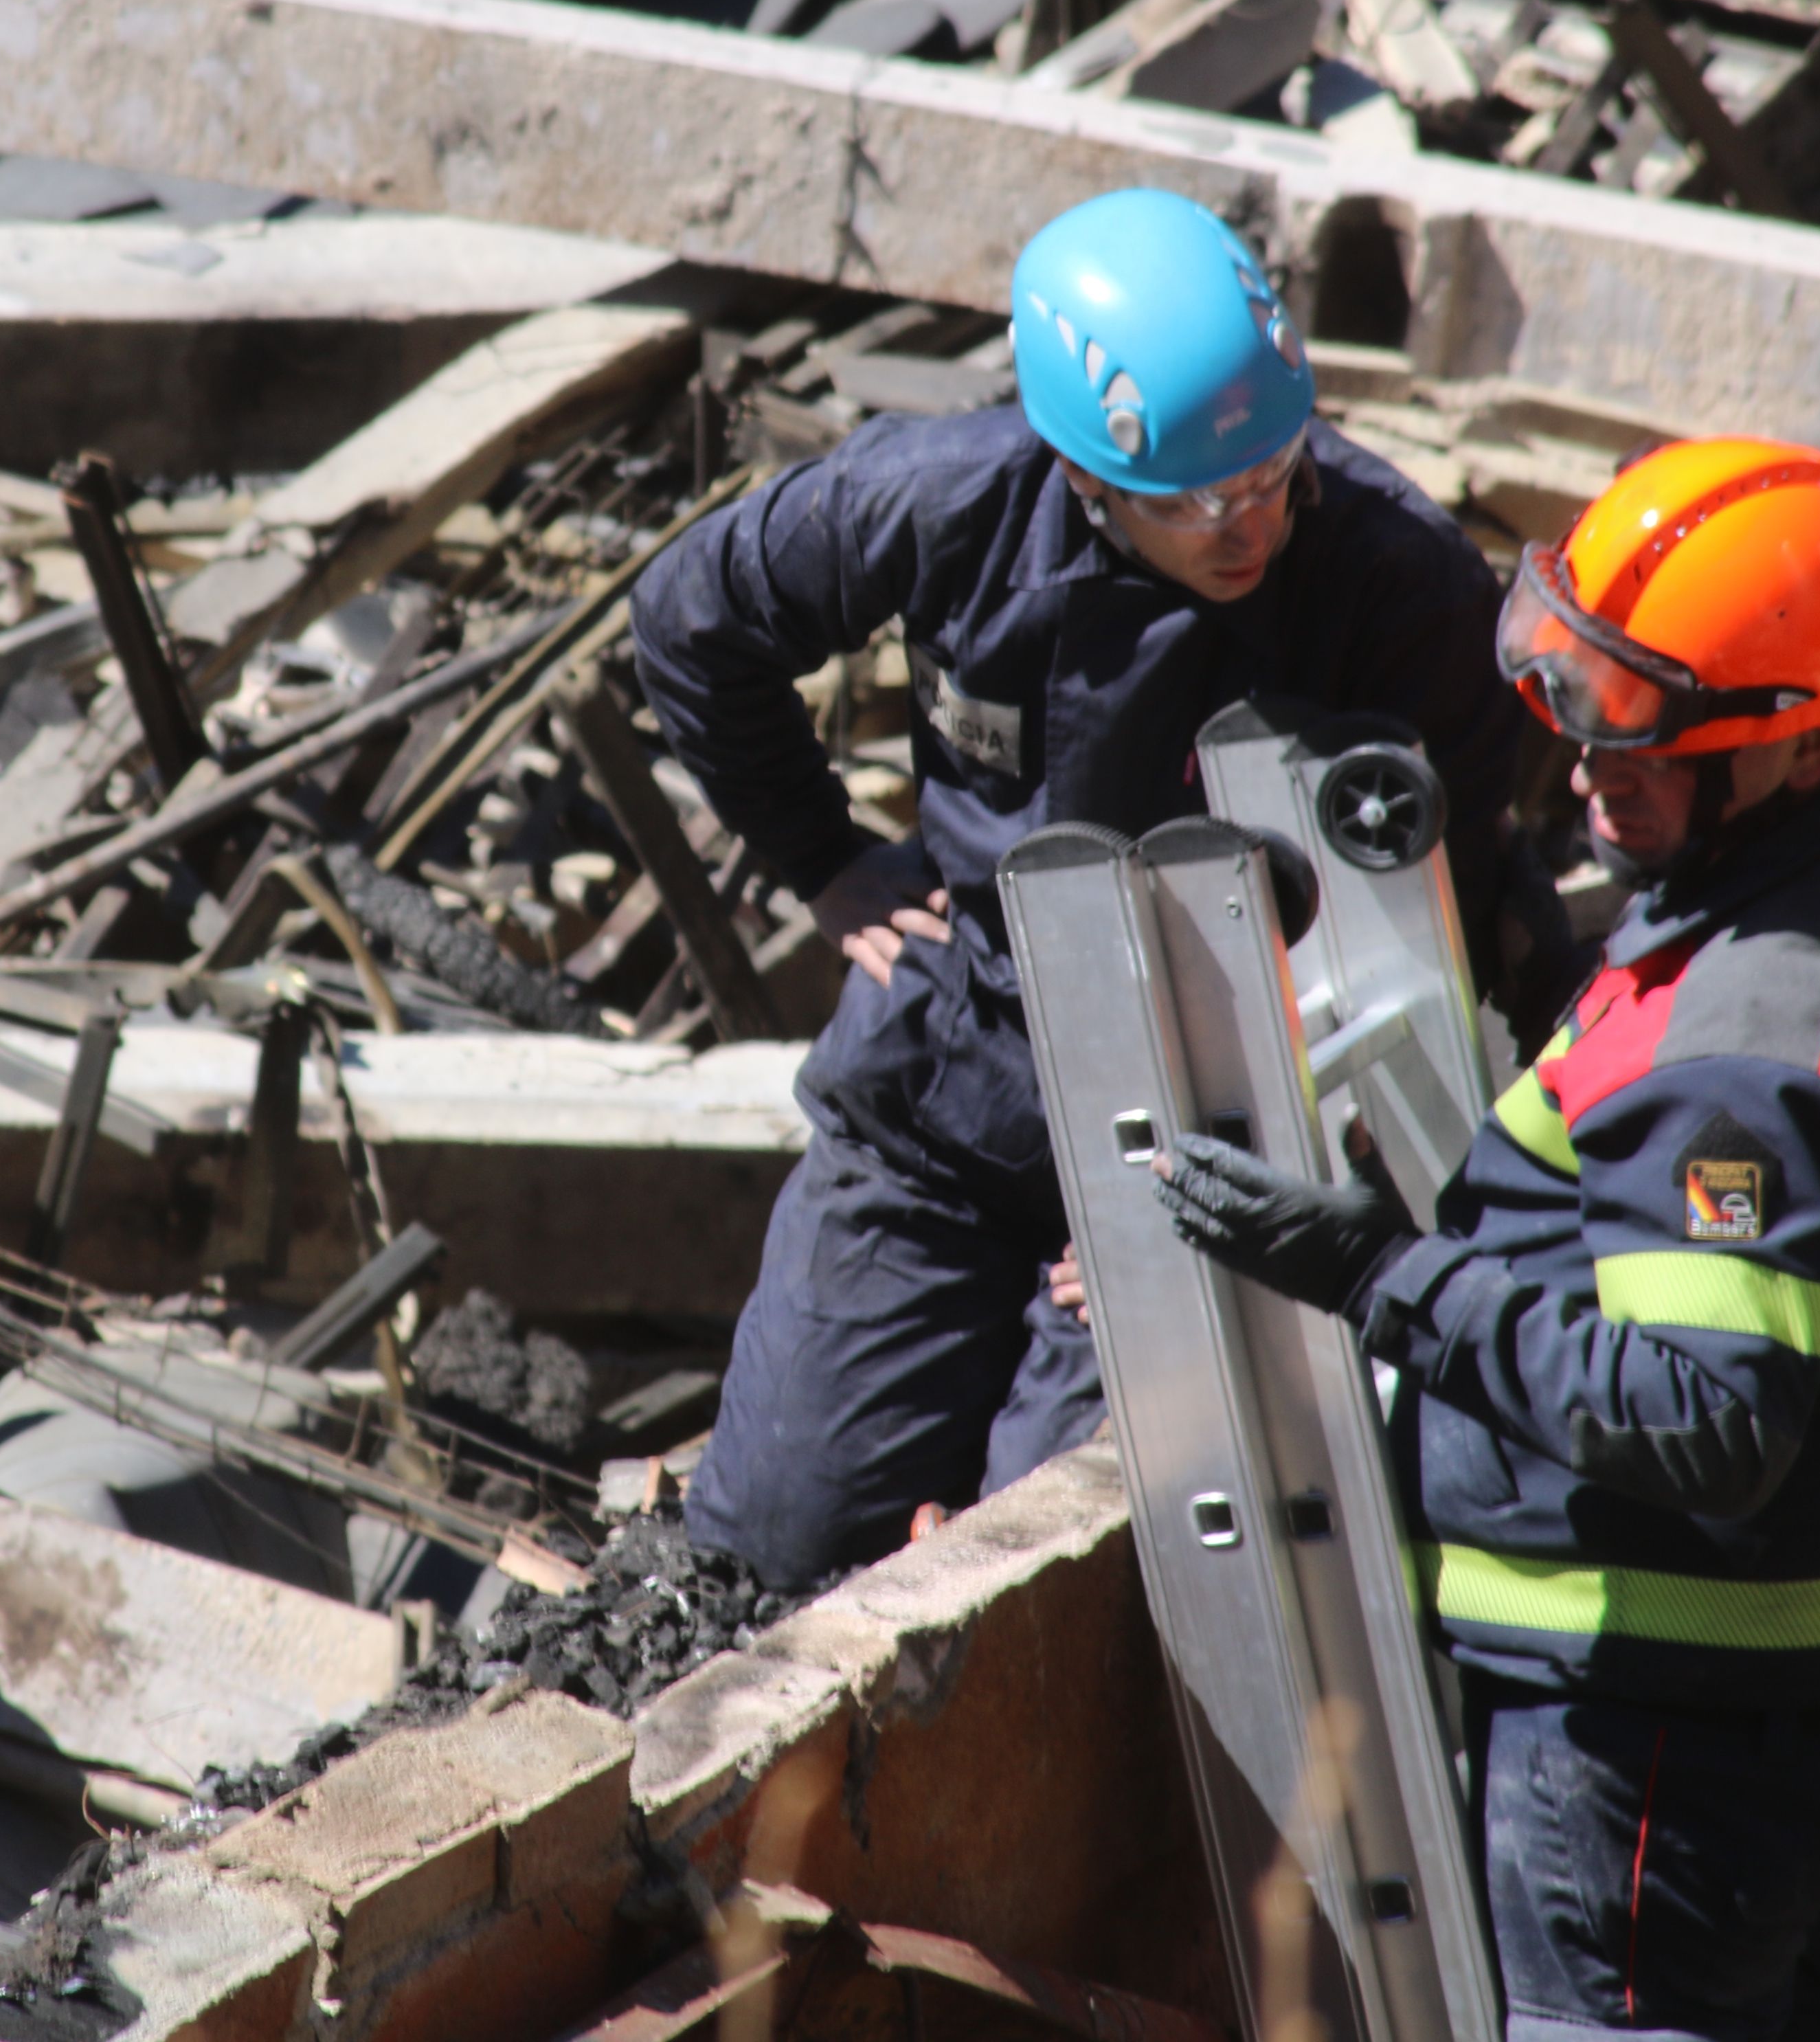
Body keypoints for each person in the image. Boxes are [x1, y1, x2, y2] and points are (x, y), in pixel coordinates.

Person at [1152, 436, 1820, 2042]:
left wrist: (1380, 1274)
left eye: (1631, 727)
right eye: (1564, 691)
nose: (1577, 766)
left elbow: (1707, 1419)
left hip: (1666, 1742)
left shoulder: (1743, 1052)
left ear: (1793, 743)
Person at [631, 184, 1551, 1595]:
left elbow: (1436, 942)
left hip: (1229, 1102)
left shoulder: (1400, 585)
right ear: (1083, 473)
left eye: (1268, 479)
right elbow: (695, 618)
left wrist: (1236, 1181)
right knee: (776, 1549)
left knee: (1048, 1567)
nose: (1249, 529)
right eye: (1193, 501)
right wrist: (824, 858)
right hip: (960, 1070)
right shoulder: (942, 501)